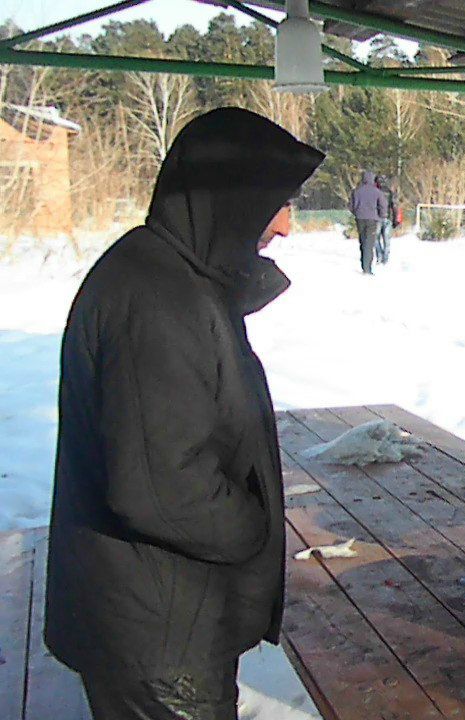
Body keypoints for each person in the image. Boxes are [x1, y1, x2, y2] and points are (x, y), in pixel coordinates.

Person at [46, 107, 324, 720]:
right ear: (227, 198)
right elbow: (163, 487)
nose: (284, 226)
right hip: (159, 644)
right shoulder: (156, 302)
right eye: (276, 203)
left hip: (160, 619)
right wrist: (254, 528)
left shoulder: (171, 276)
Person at [350, 169, 387, 274]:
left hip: (360, 218)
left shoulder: (356, 191)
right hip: (372, 219)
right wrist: (381, 216)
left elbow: (351, 206)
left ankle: (363, 264)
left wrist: (356, 213)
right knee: (369, 243)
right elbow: (383, 206)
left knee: (362, 241)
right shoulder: (377, 192)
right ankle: (367, 268)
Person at [374, 173, 399, 265]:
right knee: (387, 240)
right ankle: (385, 258)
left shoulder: (374, 192)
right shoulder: (390, 192)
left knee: (376, 238)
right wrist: (395, 218)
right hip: (387, 217)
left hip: (377, 218)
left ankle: (379, 256)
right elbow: (394, 206)